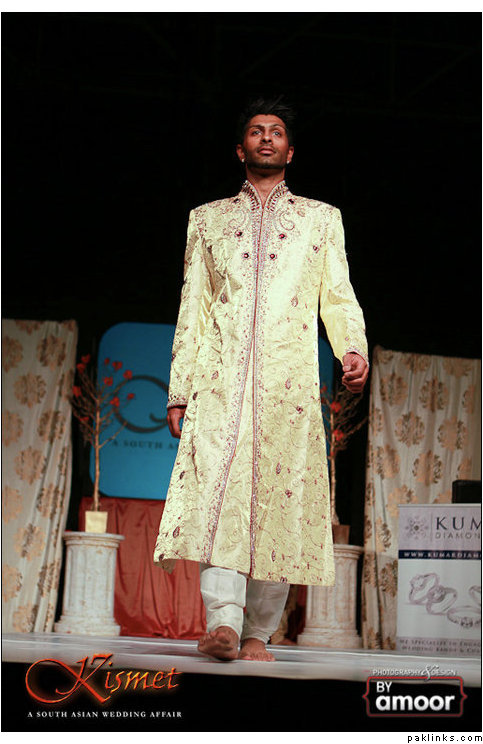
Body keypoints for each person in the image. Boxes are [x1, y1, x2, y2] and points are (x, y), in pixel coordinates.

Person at [153, 97, 369, 662]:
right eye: (256, 131)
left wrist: (352, 349)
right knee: (219, 496)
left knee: (281, 502)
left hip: (287, 387)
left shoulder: (320, 219)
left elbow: (337, 294)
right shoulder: (208, 220)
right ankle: (224, 623)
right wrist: (181, 388)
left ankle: (259, 632)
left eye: (276, 132)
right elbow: (194, 308)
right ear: (240, 148)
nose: (266, 138)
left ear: (290, 151)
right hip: (220, 384)